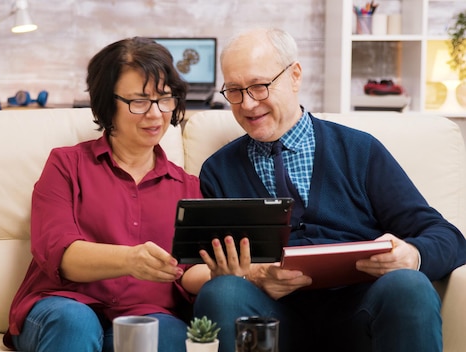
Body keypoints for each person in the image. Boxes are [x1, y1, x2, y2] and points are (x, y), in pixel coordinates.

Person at [190, 27, 466, 352]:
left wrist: (413, 256)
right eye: (234, 91)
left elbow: (447, 237)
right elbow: (200, 265)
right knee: (222, 292)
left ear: (294, 76)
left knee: (409, 284)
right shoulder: (218, 170)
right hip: (269, 317)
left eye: (260, 87)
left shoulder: (359, 151)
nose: (248, 104)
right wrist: (256, 275)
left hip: (360, 313)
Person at [3, 37, 203, 352]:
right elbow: (60, 254)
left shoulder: (188, 187)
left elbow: (190, 273)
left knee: (166, 335)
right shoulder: (66, 165)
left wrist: (236, 271)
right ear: (107, 103)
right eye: (139, 101)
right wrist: (130, 259)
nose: (155, 114)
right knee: (74, 322)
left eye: (165, 98)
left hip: (146, 315)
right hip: (63, 307)